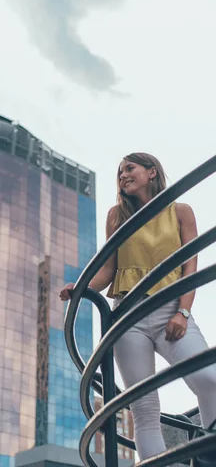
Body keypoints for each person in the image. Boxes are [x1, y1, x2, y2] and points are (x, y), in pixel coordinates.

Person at [59, 152, 216, 461]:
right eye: (119, 172)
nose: (122, 175)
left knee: (209, 378)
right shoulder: (117, 216)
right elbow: (109, 270)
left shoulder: (180, 212)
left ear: (152, 172)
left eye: (129, 168)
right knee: (143, 407)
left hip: (169, 307)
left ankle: (208, 450)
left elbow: (190, 268)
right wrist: (81, 289)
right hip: (127, 315)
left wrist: (183, 312)